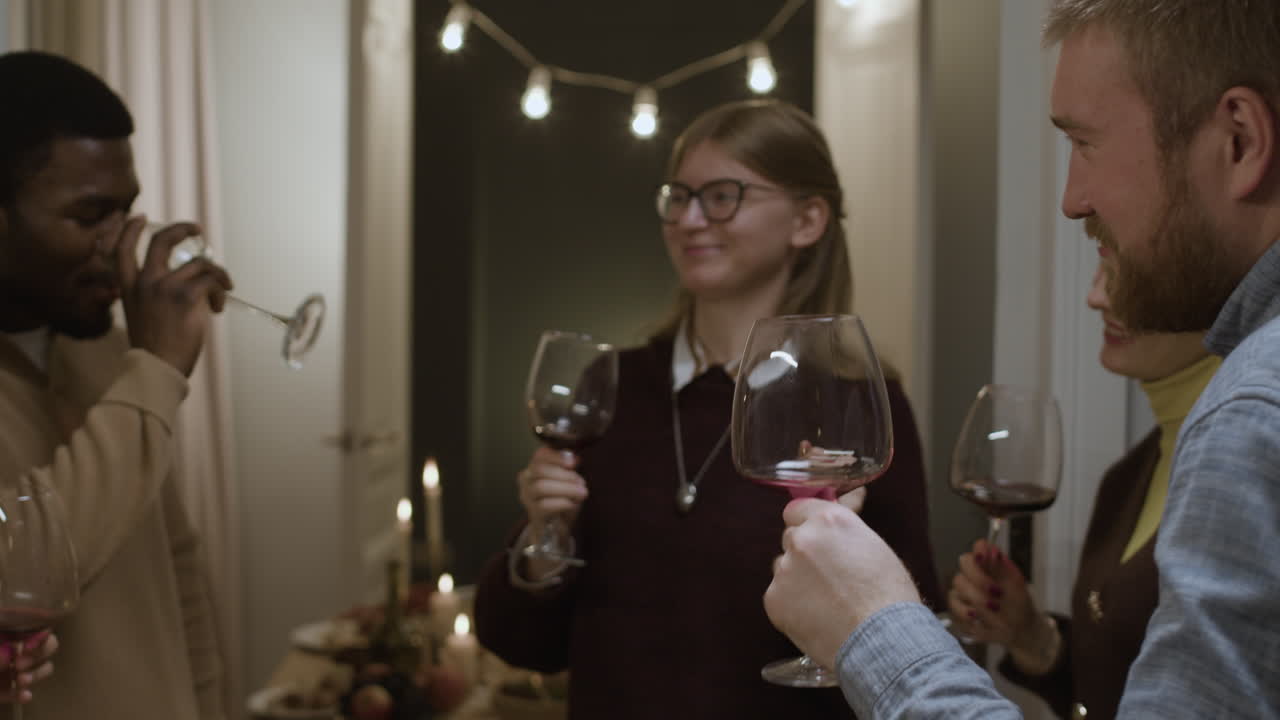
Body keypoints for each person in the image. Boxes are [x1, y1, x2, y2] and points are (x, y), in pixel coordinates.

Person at [763, 1, 1280, 717]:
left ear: (1239, 140)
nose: (1072, 200)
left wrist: (870, 627)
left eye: (1086, 143)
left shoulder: (1253, 413)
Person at [474, 98, 941, 718]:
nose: (690, 219)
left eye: (723, 196)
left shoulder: (856, 401)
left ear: (807, 219)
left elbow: (913, 647)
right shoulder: (611, 385)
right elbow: (522, 643)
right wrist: (541, 538)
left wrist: (847, 567)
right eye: (679, 196)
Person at [0, 50, 231, 718]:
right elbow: (17, 572)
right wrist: (158, 369)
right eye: (88, 216)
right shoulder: (142, 368)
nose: (121, 245)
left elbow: (175, 569)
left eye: (125, 212)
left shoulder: (104, 344)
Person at [947, 246, 1220, 720]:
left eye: (1125, 273)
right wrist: (1030, 634)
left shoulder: (1246, 470)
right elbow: (1116, 685)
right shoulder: (1128, 476)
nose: (1095, 296)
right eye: (1101, 267)